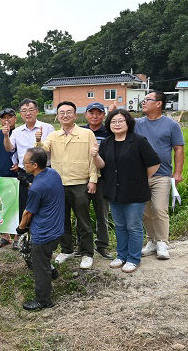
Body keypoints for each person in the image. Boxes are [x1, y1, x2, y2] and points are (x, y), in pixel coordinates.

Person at [92, 109, 160, 273]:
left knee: (133, 226)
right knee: (120, 226)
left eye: (120, 121)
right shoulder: (107, 142)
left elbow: (154, 163)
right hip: (114, 191)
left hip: (135, 192)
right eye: (114, 121)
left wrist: (141, 179)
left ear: (128, 123)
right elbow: (101, 165)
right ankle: (121, 255)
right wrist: (94, 155)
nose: (117, 124)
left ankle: (133, 258)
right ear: (109, 124)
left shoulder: (138, 141)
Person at [36, 101, 98, 269]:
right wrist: (38, 140)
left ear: (75, 114)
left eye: (68, 112)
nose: (65, 115)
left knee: (83, 220)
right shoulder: (53, 136)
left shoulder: (86, 134)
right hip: (58, 185)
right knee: (62, 220)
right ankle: (67, 249)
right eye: (61, 112)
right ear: (57, 116)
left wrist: (93, 179)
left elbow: (93, 158)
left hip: (79, 184)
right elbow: (43, 150)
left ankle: (87, 253)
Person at [134, 90, 185, 260]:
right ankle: (152, 241)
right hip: (140, 175)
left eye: (148, 100)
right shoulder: (137, 123)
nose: (143, 102)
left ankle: (162, 242)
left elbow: (178, 148)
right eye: (144, 100)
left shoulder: (171, 125)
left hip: (162, 174)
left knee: (159, 208)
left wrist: (177, 173)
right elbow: (117, 125)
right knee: (146, 211)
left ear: (158, 104)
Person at [15, 147, 64, 311]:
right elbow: (45, 191)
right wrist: (29, 183)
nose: (23, 165)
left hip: (44, 232)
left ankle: (43, 300)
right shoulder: (53, 174)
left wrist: (20, 229)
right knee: (45, 257)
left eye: (25, 163)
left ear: (34, 165)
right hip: (57, 228)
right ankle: (52, 271)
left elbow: (28, 213)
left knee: (38, 265)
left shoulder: (37, 188)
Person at [3, 98, 55, 235]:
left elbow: (51, 150)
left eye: (31, 110)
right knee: (25, 205)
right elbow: (9, 148)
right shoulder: (17, 131)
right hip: (24, 173)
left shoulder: (48, 128)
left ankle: (42, 234)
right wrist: (6, 136)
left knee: (43, 204)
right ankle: (26, 236)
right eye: (24, 111)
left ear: (37, 111)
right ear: (20, 113)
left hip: (43, 173)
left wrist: (39, 140)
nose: (28, 113)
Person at [81, 102, 113, 259]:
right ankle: (83, 246)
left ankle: (102, 245)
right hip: (81, 178)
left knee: (102, 214)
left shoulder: (109, 132)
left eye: (98, 113)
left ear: (103, 115)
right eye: (91, 113)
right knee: (82, 214)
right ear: (86, 114)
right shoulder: (79, 131)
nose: (95, 116)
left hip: (103, 178)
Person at [0, 108, 20, 248]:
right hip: (0, 173)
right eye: (4, 118)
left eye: (10, 117)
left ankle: (18, 237)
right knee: (3, 205)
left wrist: (20, 164)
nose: (7, 120)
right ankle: (5, 236)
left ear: (15, 118)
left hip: (18, 174)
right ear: (0, 120)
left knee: (18, 206)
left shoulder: (20, 132)